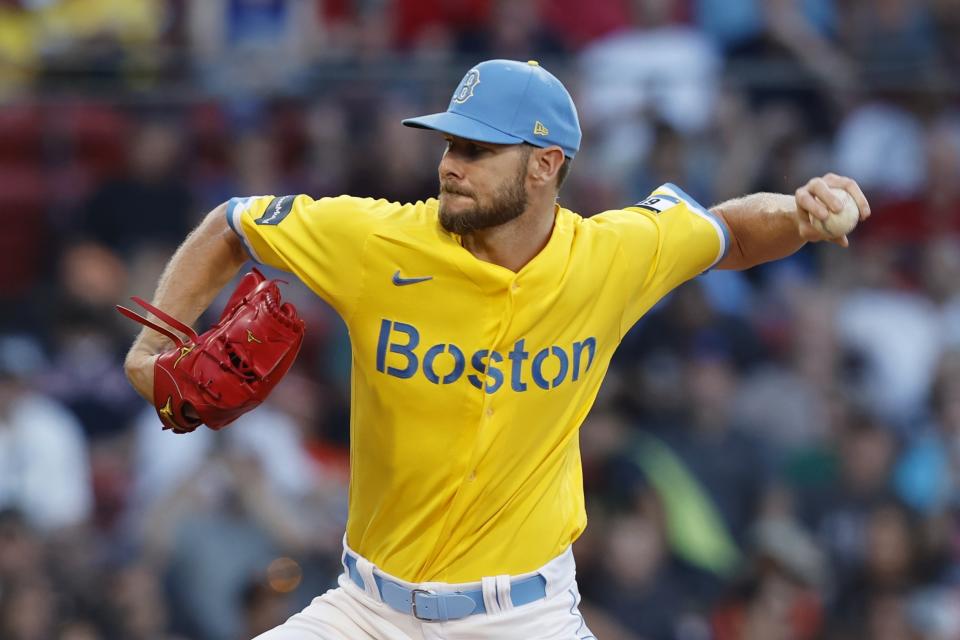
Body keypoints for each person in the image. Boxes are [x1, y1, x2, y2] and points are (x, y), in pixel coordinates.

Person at [123, 59, 871, 639]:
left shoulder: (610, 255)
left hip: (521, 616)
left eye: (478, 148)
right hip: (366, 609)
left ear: (545, 164)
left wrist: (799, 215)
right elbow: (234, 224)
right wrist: (155, 339)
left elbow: (730, 231)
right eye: (450, 142)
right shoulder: (378, 239)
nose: (451, 163)